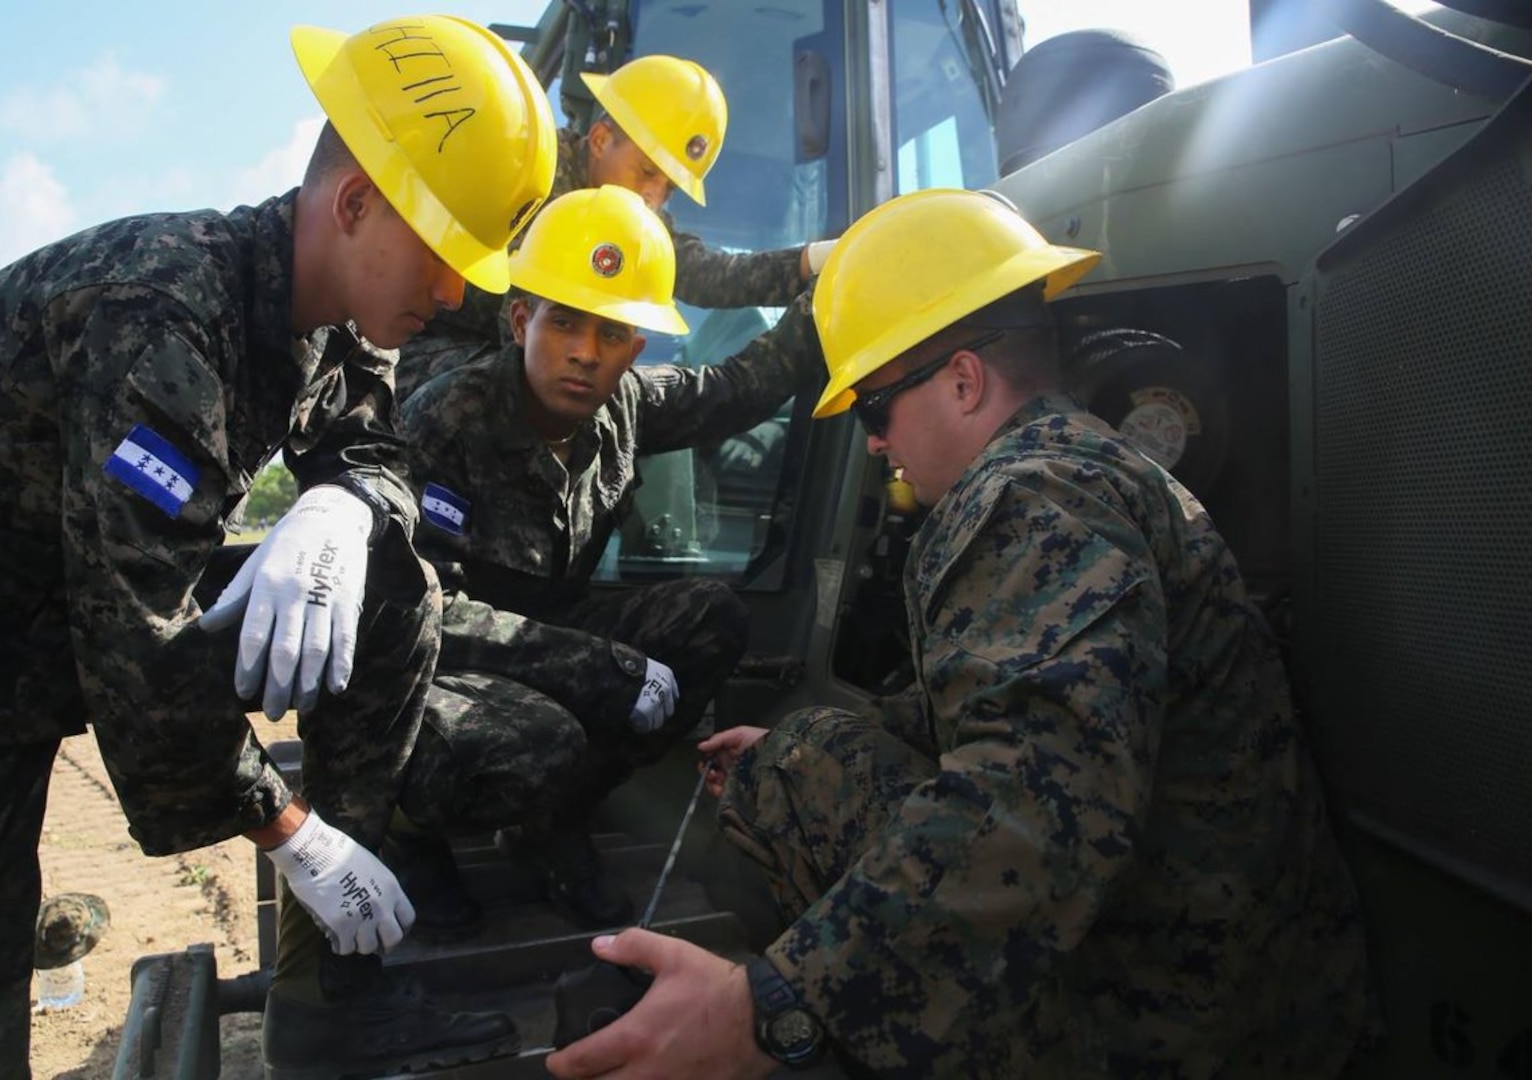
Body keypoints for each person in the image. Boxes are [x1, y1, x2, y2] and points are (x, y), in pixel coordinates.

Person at [545, 188, 1374, 1079]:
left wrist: (769, 1011)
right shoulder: (1082, 463)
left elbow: (1026, 817)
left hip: (1174, 1022)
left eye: (875, 411)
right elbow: (1019, 709)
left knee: (802, 773)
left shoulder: (1028, 498)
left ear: (964, 382)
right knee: (804, 746)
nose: (873, 446)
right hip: (1221, 960)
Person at [0, 15, 557, 1079]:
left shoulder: (332, 321)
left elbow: (375, 448)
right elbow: (138, 644)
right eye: (445, 257)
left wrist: (345, 507)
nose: (455, 296)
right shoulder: (166, 312)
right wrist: (295, 833)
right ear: (354, 205)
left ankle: (327, 998)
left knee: (395, 586)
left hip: (40, 630)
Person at [394, 183, 823, 931]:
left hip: (548, 624)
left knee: (709, 619)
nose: (585, 353)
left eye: (612, 332)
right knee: (538, 736)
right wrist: (599, 668)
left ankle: (547, 826)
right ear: (523, 321)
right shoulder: (447, 417)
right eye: (565, 323)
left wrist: (825, 298)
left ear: (638, 346)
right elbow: (415, 605)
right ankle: (405, 838)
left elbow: (734, 388)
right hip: (439, 652)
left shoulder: (624, 405)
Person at [394, 52, 832, 401]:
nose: (654, 197)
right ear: (602, 140)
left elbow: (705, 275)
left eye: (668, 187)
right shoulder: (521, 175)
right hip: (436, 363)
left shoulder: (631, 222)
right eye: (647, 172)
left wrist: (814, 262)